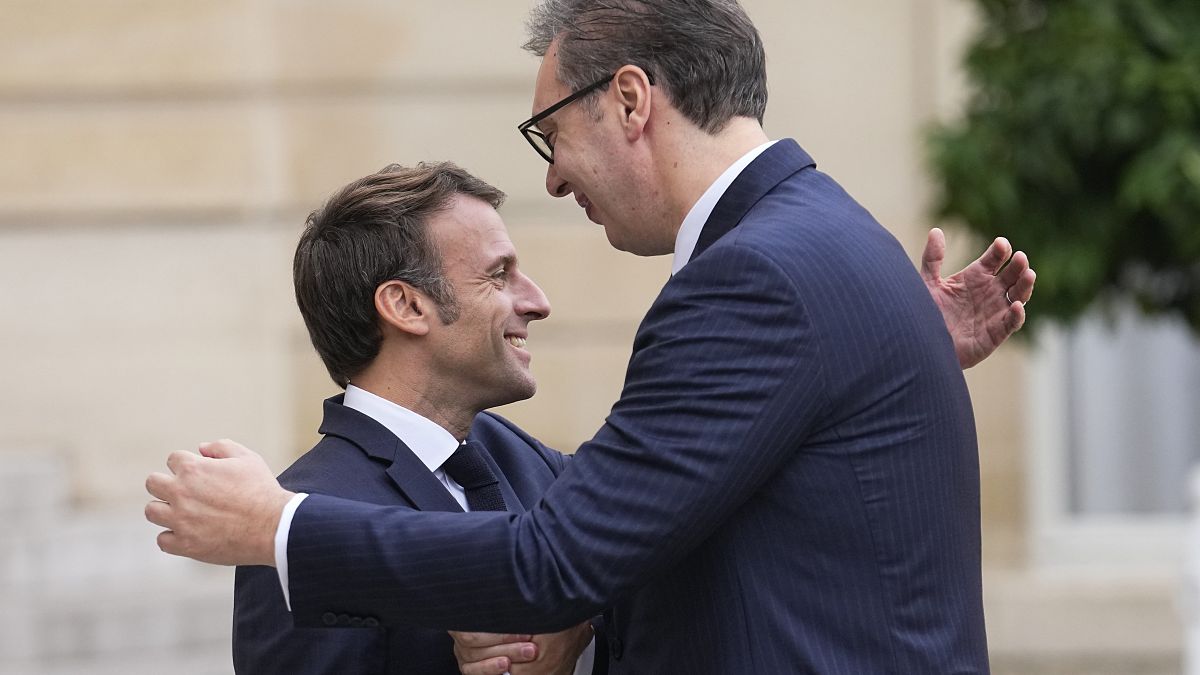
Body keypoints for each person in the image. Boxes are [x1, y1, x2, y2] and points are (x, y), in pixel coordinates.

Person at [146, 1, 1037, 672]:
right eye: (496, 274)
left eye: (552, 133)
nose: (559, 175)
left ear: (631, 99)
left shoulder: (753, 276)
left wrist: (277, 526)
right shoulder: (829, 239)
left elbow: (557, 560)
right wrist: (883, 350)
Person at [232, 163, 596, 675]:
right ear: (405, 305)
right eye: (498, 275)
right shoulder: (298, 527)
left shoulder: (519, 454)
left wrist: (577, 626)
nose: (538, 303)